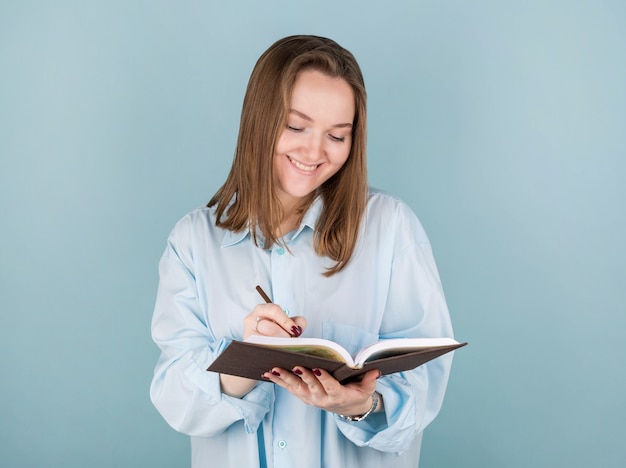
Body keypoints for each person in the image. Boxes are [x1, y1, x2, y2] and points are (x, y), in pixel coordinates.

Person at [150, 34, 455, 468]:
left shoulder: (391, 228)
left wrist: (359, 406)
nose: (314, 151)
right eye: (296, 126)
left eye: (337, 135)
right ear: (260, 120)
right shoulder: (194, 241)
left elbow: (424, 386)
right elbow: (174, 398)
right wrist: (246, 356)